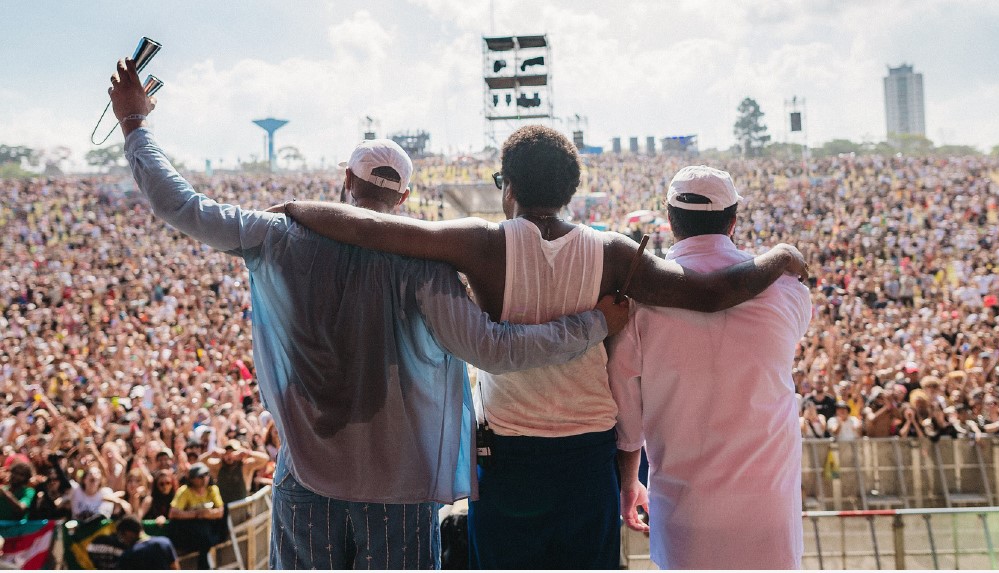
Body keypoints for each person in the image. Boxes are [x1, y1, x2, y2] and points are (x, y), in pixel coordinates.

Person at [108, 58, 628, 570]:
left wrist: (134, 124)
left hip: (307, 472)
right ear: (404, 196)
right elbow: (494, 350)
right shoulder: (423, 263)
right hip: (399, 487)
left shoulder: (277, 235)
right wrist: (594, 323)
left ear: (344, 183)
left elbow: (179, 204)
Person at [277, 127, 807, 567]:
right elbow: (712, 293)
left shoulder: (481, 244)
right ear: (572, 190)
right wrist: (780, 253)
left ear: (507, 186)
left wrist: (297, 210)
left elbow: (377, 230)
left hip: (509, 455)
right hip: (588, 456)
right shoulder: (615, 253)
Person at [607, 165, 811, 569]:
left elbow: (628, 428)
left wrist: (629, 486)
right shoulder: (789, 293)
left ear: (669, 220)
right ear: (733, 221)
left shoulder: (637, 308)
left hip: (686, 522)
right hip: (770, 520)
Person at [167, 463, 225, 569]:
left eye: (206, 475)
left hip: (208, 530)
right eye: (200, 476)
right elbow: (173, 513)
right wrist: (196, 514)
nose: (204, 479)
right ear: (192, 479)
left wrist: (208, 514)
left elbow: (220, 511)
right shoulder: (184, 491)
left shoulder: (212, 489)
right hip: (190, 531)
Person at [199, 439, 269, 505]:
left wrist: (248, 453)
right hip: (224, 507)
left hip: (242, 506)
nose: (230, 456)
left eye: (233, 452)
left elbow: (265, 459)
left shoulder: (245, 466)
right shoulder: (218, 466)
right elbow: (200, 462)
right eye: (227, 452)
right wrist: (211, 454)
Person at [115, 515, 180, 569]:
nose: (123, 539)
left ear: (128, 533)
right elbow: (175, 568)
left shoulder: (127, 556)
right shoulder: (165, 542)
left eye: (122, 535)